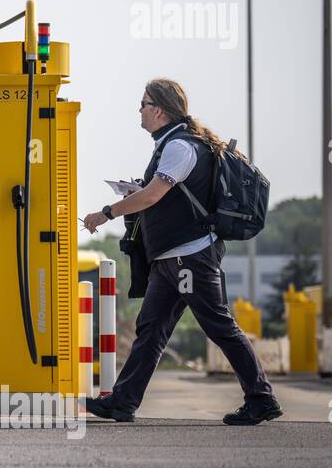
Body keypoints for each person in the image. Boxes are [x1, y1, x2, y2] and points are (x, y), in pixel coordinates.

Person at [81, 78, 282, 426]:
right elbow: (158, 194)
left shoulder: (180, 147)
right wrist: (137, 190)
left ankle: (262, 398)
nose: (139, 112)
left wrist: (107, 212)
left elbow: (152, 196)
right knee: (151, 329)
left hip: (190, 257)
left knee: (219, 326)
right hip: (171, 258)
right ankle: (122, 402)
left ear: (158, 109)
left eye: (142, 104)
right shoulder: (172, 144)